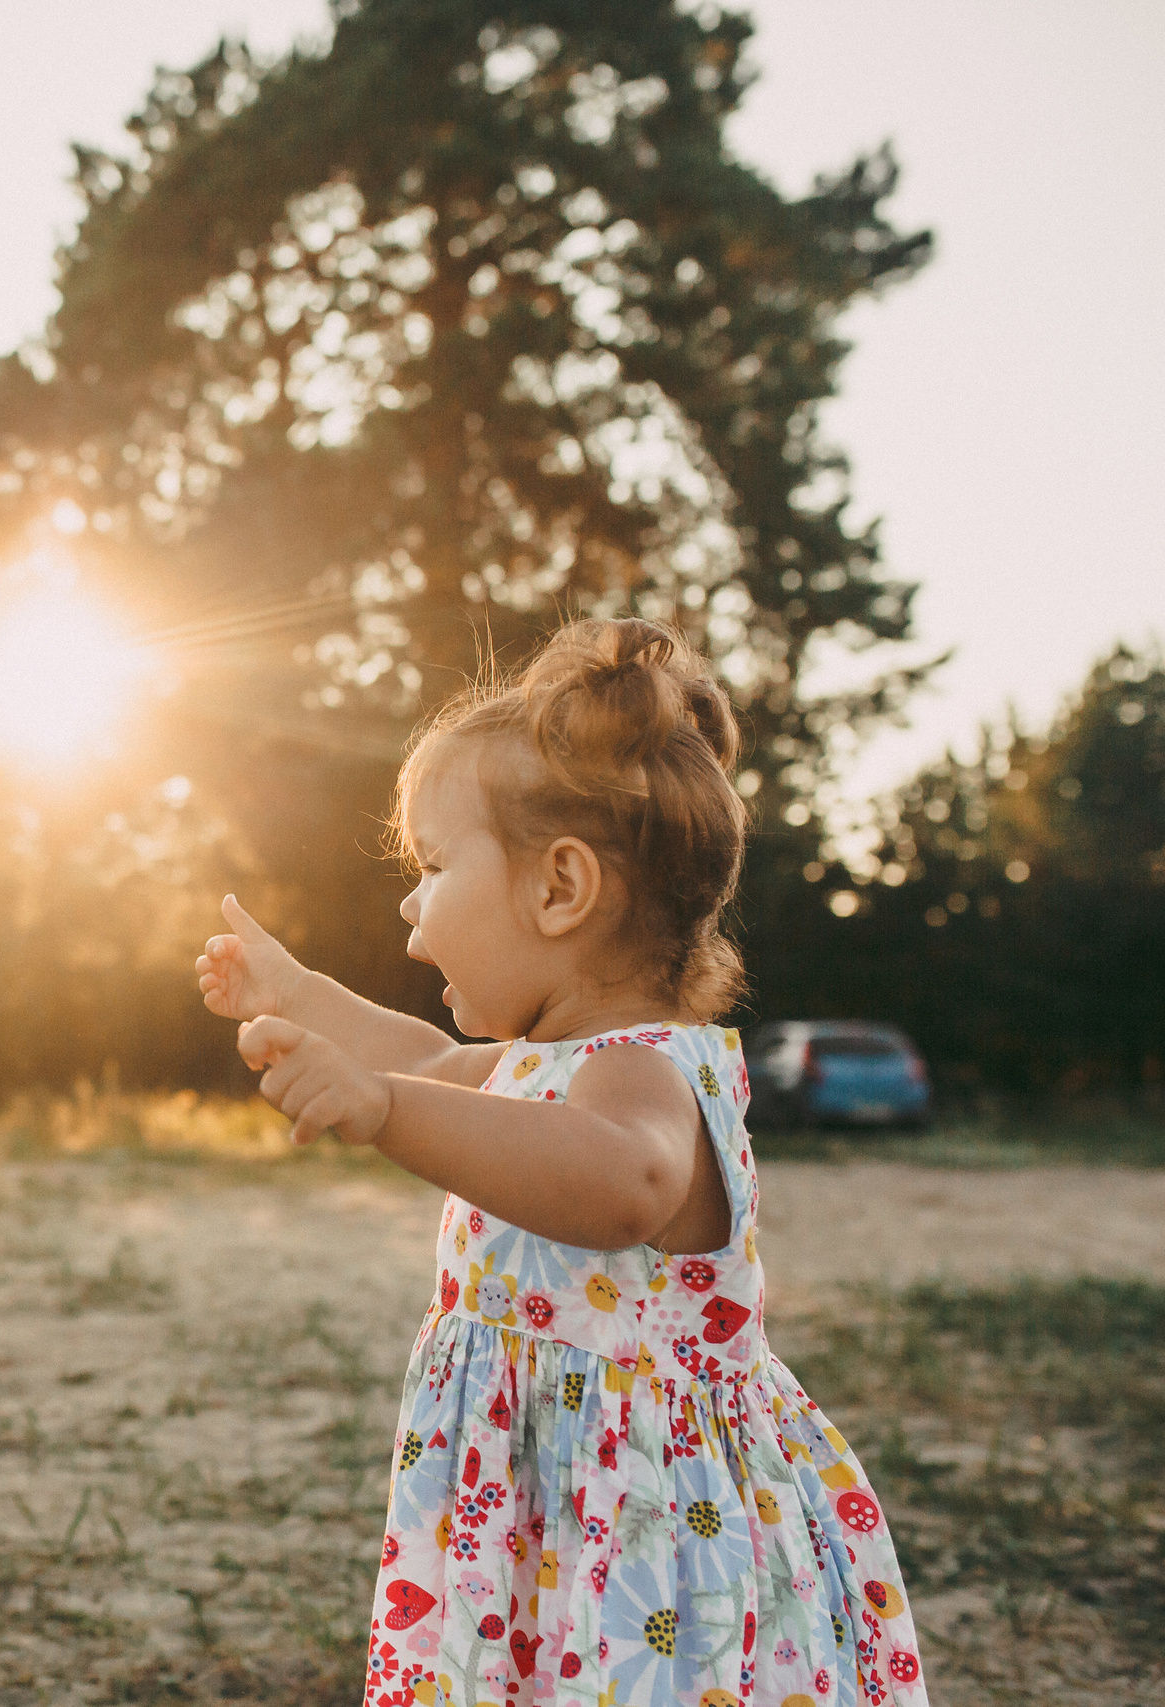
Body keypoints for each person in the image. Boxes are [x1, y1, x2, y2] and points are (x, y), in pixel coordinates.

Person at [197, 617, 924, 1705]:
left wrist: (383, 1110)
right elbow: (433, 1057)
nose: (409, 906)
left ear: (559, 889)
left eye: (435, 867)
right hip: (551, 1509)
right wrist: (294, 993)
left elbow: (618, 1181)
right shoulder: (546, 1063)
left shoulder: (640, 1072)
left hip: (646, 1535)